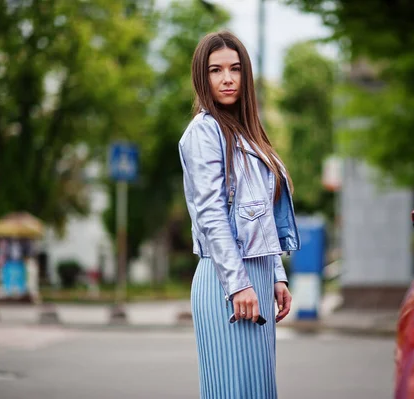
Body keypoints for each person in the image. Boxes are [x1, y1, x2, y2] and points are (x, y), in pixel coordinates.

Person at [178, 30, 301, 399]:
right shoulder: (204, 132)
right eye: (216, 70)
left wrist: (276, 274)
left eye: (235, 69)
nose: (227, 78)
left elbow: (262, 215)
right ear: (203, 77)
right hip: (227, 281)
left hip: (256, 278)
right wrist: (239, 284)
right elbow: (212, 215)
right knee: (233, 390)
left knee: (258, 390)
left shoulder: (248, 134)